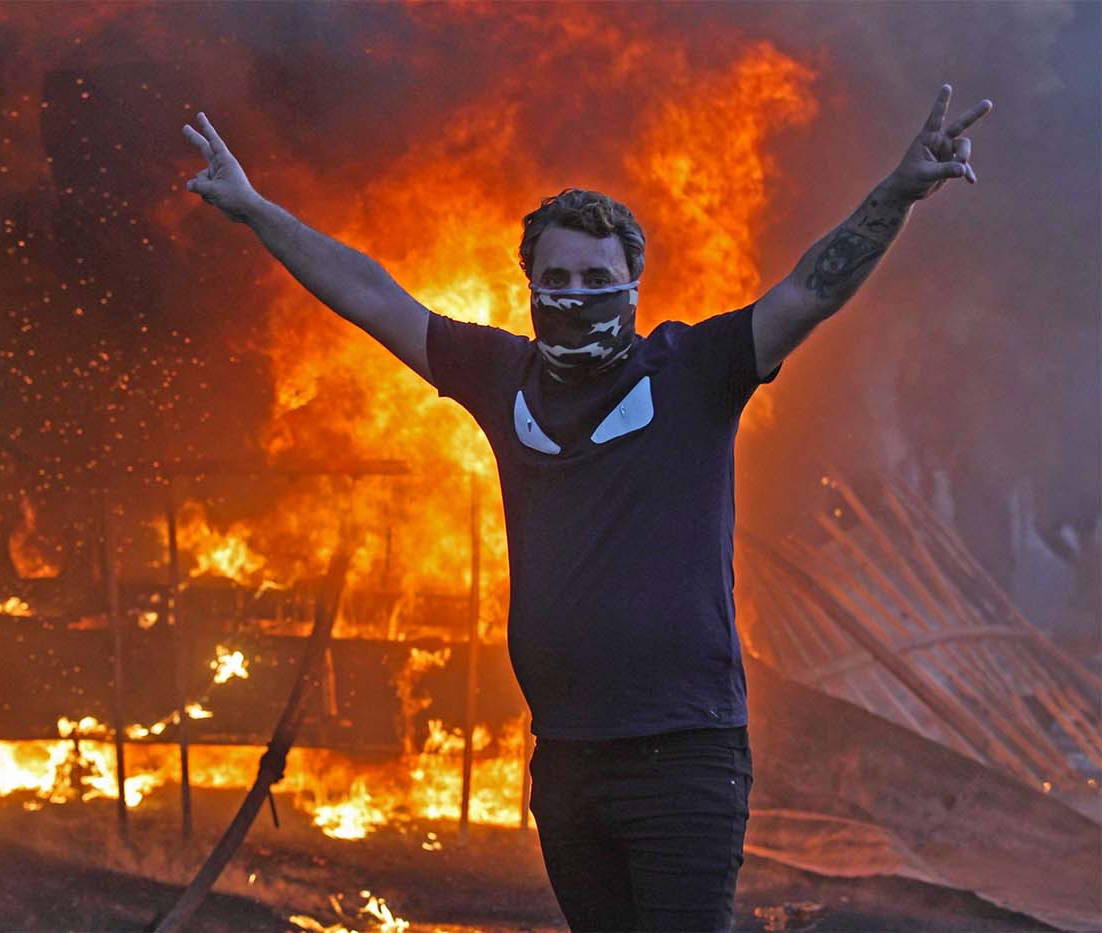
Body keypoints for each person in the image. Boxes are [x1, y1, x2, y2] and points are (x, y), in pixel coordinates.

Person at [181, 83, 991, 932]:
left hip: (683, 756)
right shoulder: (500, 378)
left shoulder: (696, 371)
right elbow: (374, 296)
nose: (577, 294)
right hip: (565, 760)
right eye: (557, 278)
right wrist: (255, 211)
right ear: (529, 285)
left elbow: (811, 289)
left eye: (598, 278)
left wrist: (898, 193)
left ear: (633, 282)